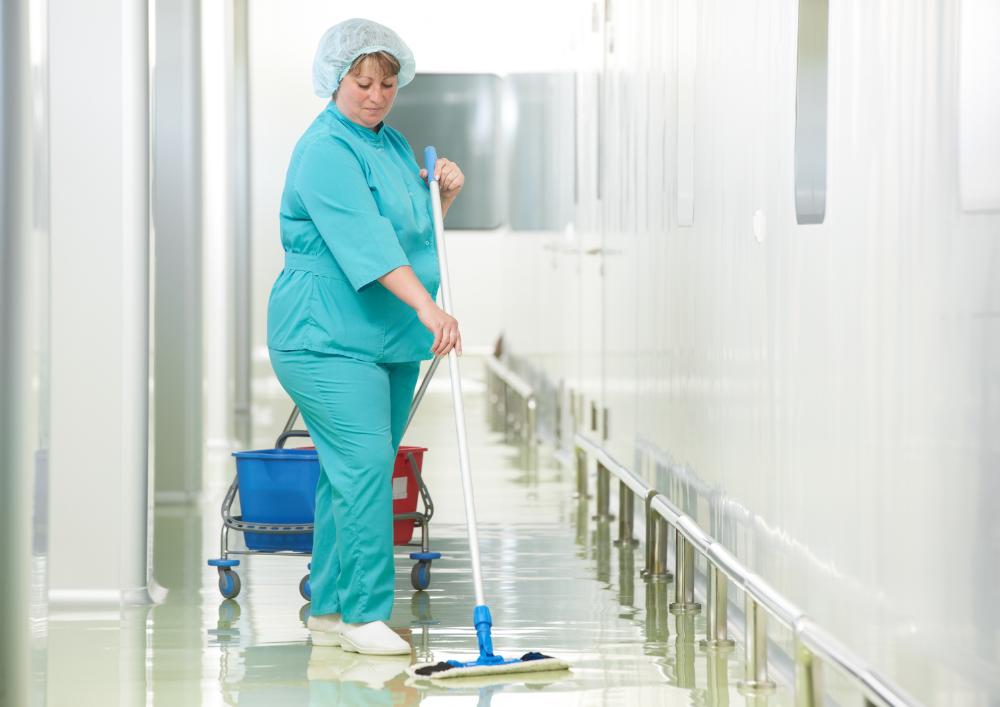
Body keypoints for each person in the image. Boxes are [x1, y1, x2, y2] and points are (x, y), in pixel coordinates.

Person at [267, 18, 465, 656]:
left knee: (345, 470)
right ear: (335, 80)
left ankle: (327, 606)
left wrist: (443, 198)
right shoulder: (325, 149)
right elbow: (369, 247)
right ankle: (364, 614)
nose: (376, 95)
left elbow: (408, 236)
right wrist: (432, 312)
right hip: (323, 334)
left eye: (386, 83)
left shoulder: (391, 143)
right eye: (362, 82)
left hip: (384, 333)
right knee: (367, 466)